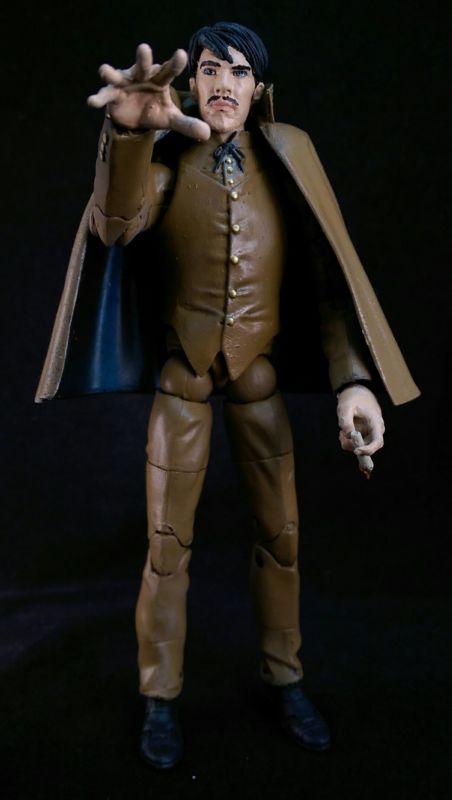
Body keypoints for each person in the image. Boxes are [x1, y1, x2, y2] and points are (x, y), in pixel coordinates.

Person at [36, 22, 419, 769]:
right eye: (211, 68)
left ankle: (287, 677)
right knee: (166, 547)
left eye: (239, 72)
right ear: (191, 82)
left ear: (259, 88)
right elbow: (115, 226)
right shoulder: (168, 159)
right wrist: (128, 135)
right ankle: (160, 696)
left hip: (258, 380)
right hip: (183, 378)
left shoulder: (290, 156)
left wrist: (352, 381)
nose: (223, 83)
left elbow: (328, 277)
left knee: (282, 539)